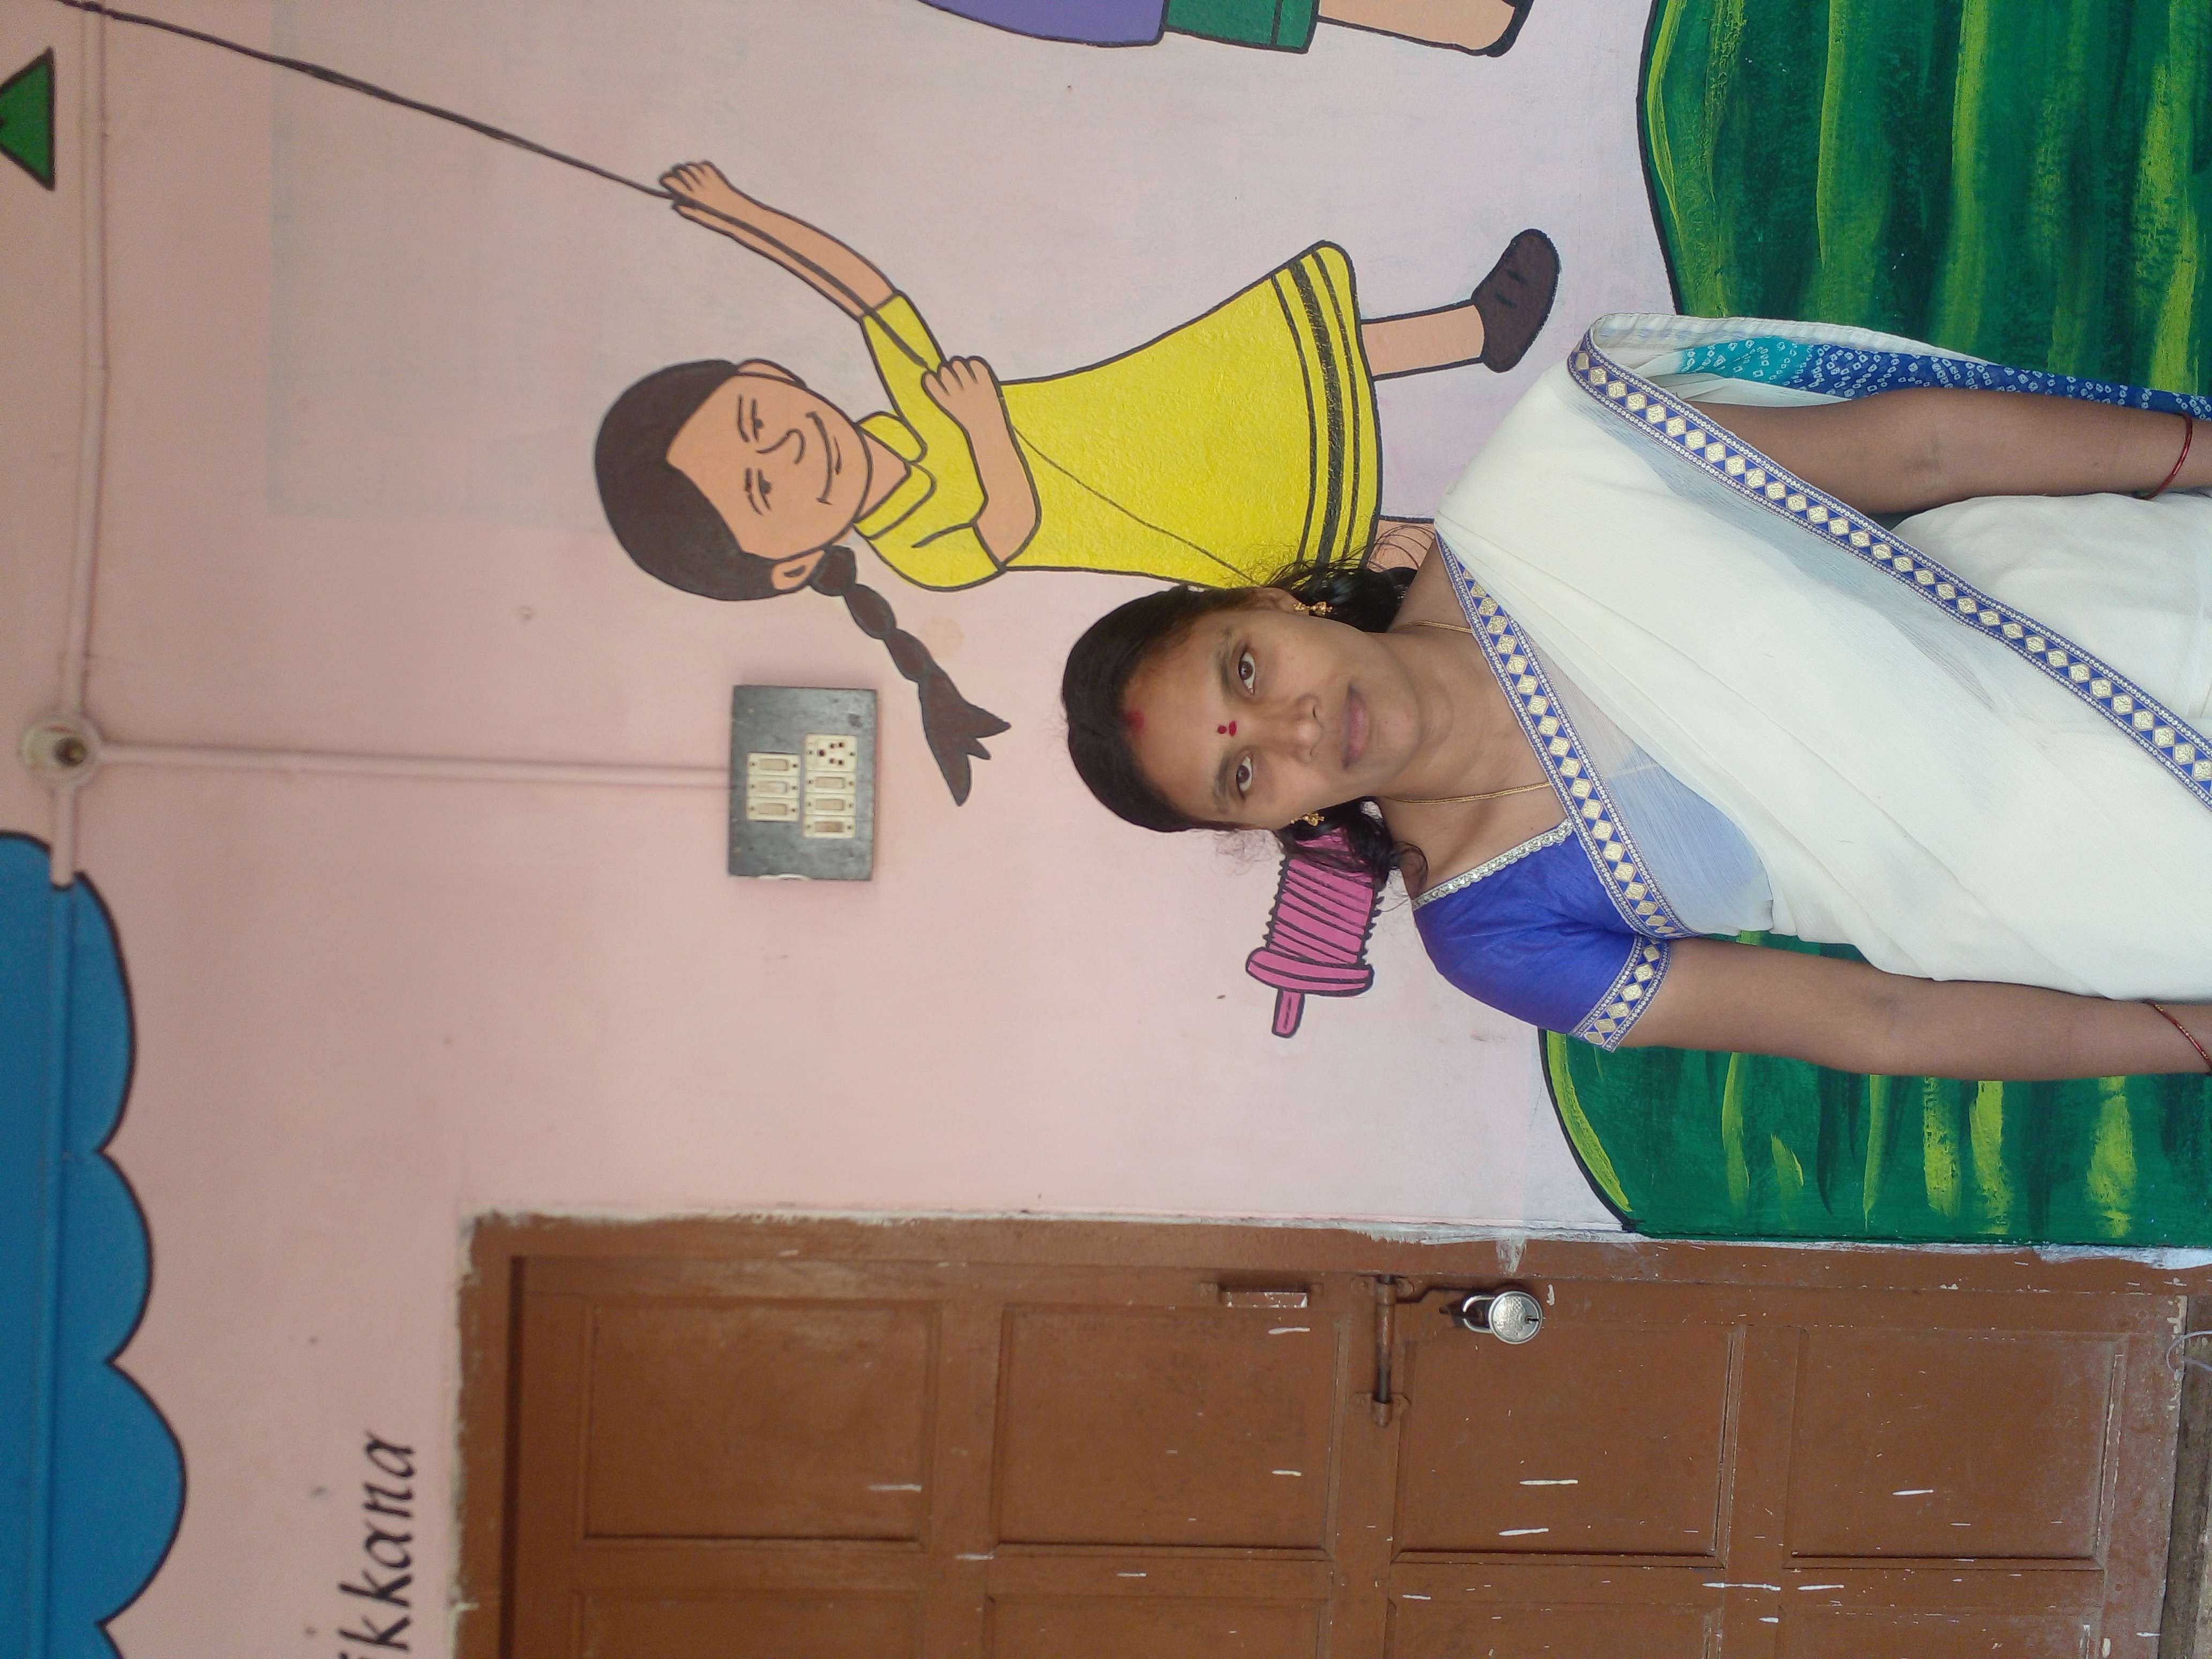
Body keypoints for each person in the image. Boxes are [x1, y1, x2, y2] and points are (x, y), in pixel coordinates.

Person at [1064, 313, 2212, 1079]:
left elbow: (1924, 451)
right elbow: (1883, 1023)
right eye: (1244, 773)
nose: (1296, 728)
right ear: (1273, 822)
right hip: (2119, 893)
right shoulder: (1489, 927)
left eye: (1247, 670)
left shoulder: (1545, 491)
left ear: (1272, 605)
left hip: (2132, 609)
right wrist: (2191, 1038)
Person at [595, 160, 1559, 799]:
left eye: (758, 424)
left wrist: (740, 215)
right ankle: (1506, 569)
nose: (790, 455)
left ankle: (1472, 332)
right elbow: (1007, 527)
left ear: (768, 375)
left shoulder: (909, 403)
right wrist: (985, 429)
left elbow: (865, 295)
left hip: (1149, 416)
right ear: (788, 566)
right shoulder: (914, 548)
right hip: (1159, 506)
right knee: (1353, 544)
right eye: (763, 492)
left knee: (1274, 369)